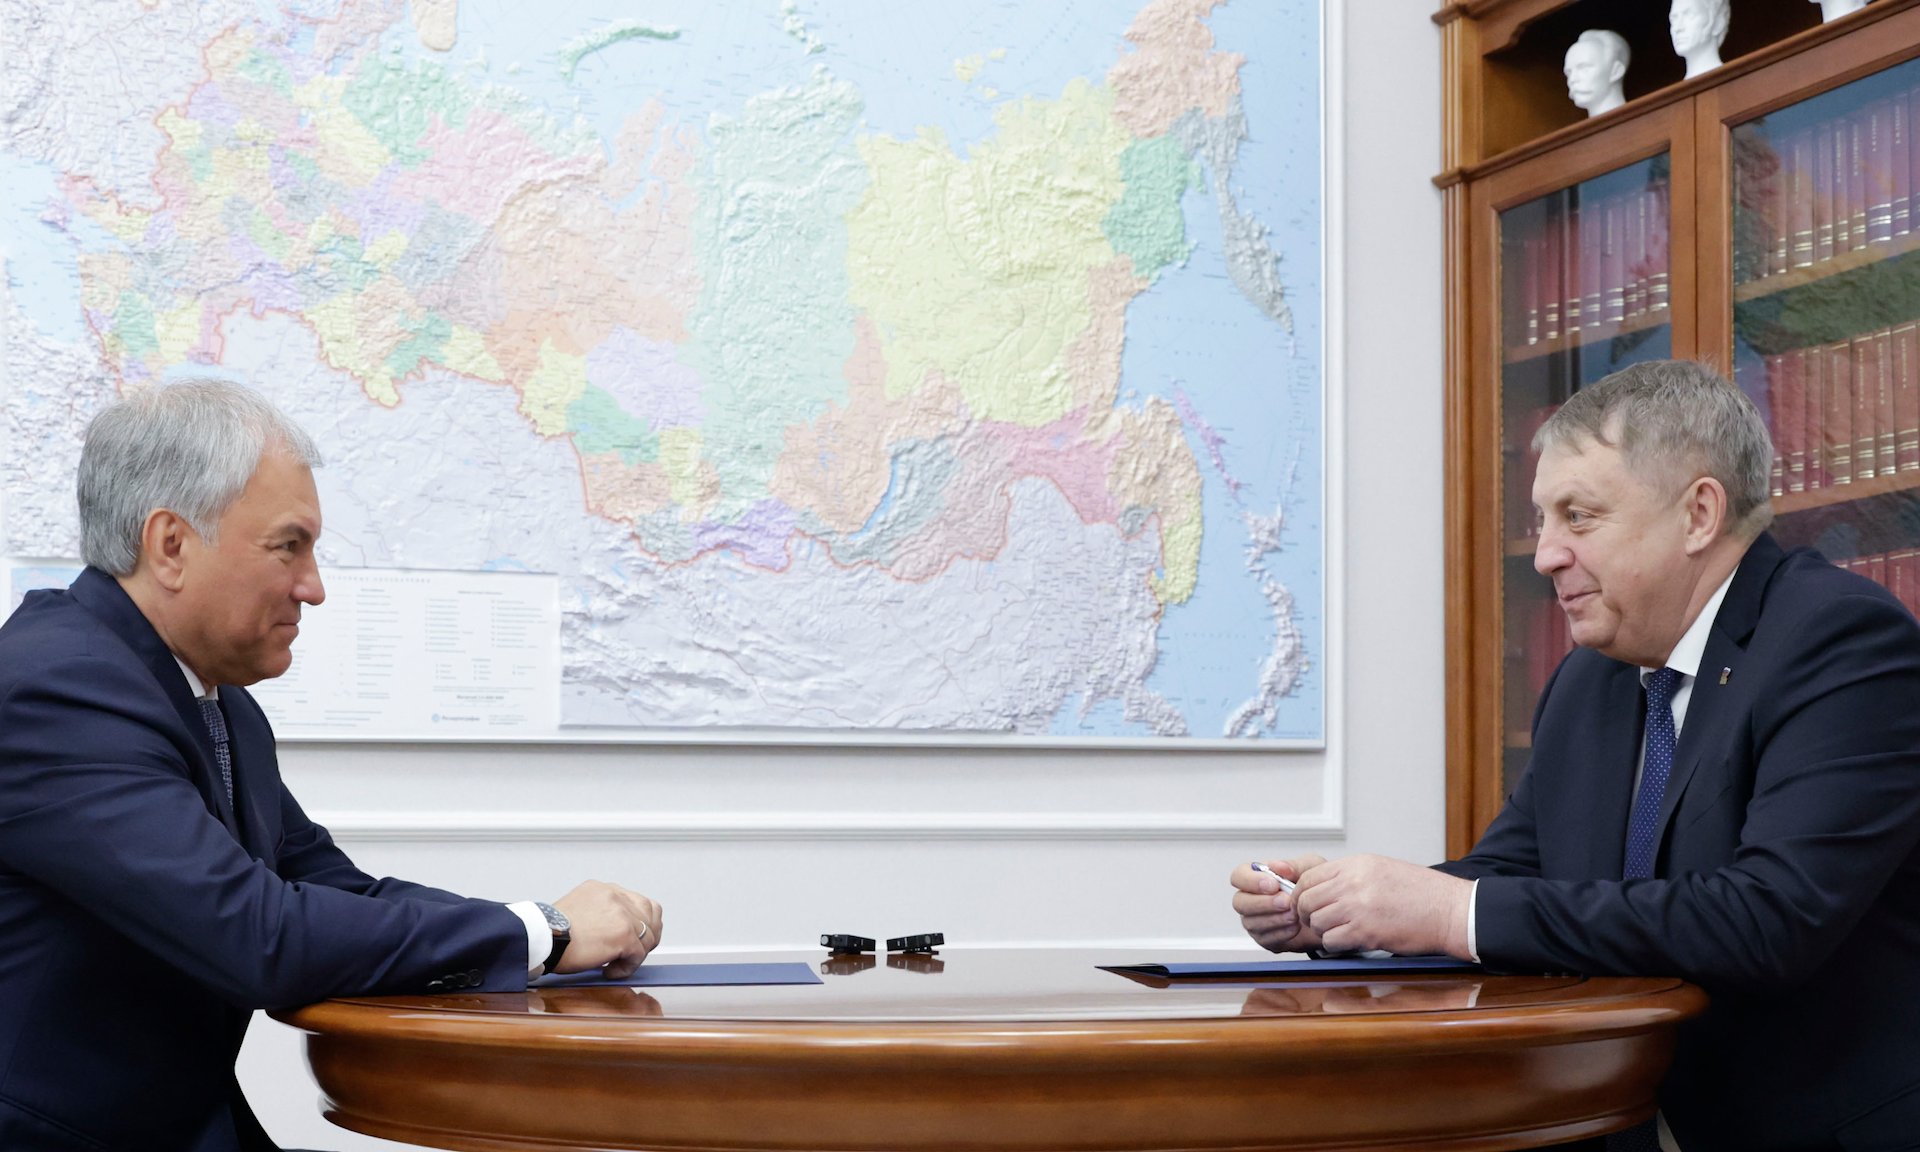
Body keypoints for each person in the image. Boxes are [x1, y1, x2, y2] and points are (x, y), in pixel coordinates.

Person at [1231, 361, 1920, 1151]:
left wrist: (1447, 912)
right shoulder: (1591, 678)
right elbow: (1513, 875)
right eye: (1542, 520)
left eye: (1578, 517)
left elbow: (1768, 919)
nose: (1545, 555)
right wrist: (1338, 909)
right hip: (1615, 1114)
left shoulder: (1839, 640)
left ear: (1698, 514)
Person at [0, 380, 665, 1151]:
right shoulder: (59, 690)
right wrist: (542, 932)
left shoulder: (214, 699)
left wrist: (538, 930)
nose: (313, 588)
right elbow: (258, 936)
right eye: (289, 546)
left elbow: (332, 888)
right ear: (171, 545)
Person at [1564, 30, 1630, 118]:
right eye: (1568, 72)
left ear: (1615, 71)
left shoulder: (1641, 123)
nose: (1572, 79)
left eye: (1584, 68)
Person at [1669, 0, 1729, 79]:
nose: (1677, 28)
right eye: (1673, 19)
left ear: (1718, 22)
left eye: (1690, 15)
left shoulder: (1734, 80)